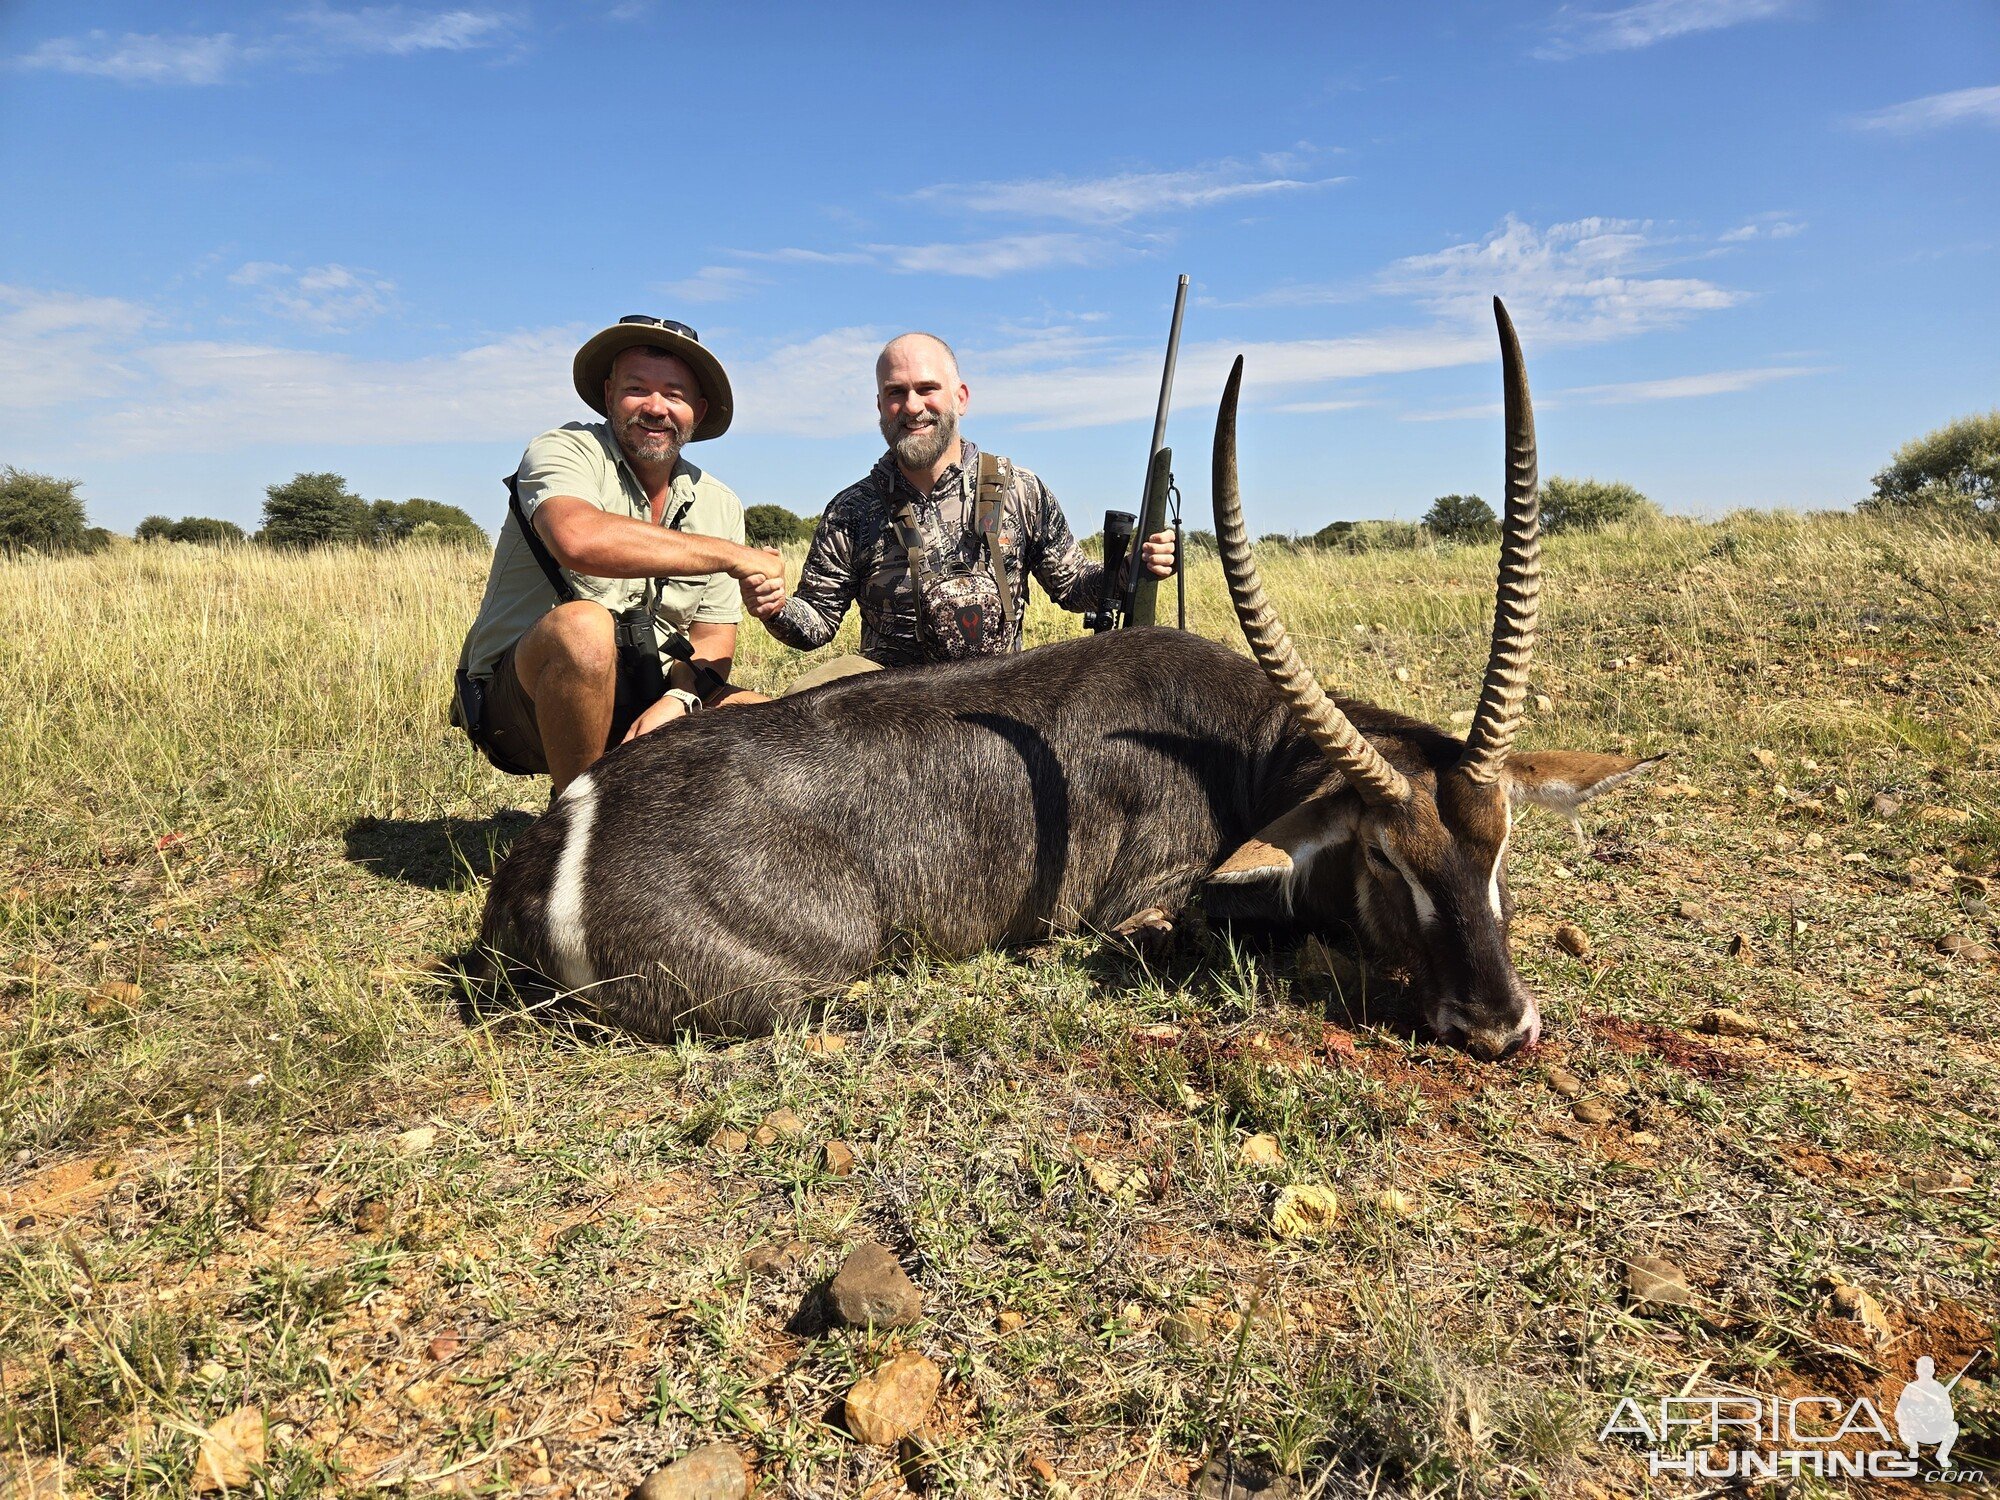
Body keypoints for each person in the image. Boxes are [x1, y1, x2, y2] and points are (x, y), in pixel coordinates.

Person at [454, 316, 788, 795]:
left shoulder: (720, 503)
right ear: (609, 394)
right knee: (584, 628)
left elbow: (713, 639)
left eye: (674, 394)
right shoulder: (564, 450)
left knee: (770, 720)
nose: (655, 408)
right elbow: (578, 539)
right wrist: (734, 556)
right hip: (523, 705)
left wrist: (677, 698)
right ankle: (573, 826)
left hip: (649, 692)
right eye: (637, 389)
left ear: (698, 408)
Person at [754, 332, 1174, 689]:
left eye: (926, 388)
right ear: (880, 406)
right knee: (807, 694)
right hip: (893, 713)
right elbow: (817, 622)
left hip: (999, 701)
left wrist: (1130, 568)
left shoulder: (1020, 490)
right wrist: (775, 607)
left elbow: (1075, 587)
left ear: (961, 397)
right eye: (896, 393)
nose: (913, 406)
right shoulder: (852, 510)